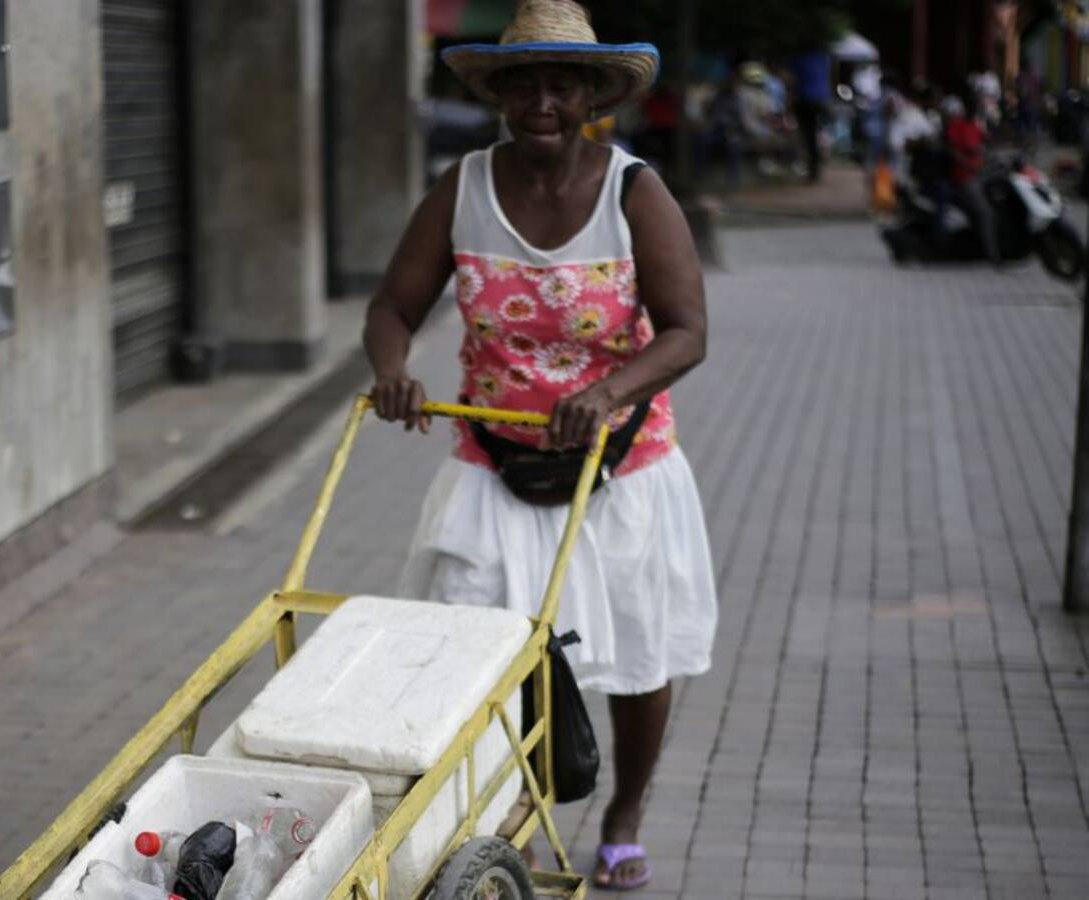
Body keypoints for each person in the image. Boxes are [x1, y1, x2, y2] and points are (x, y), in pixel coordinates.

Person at [363, 0, 717, 891]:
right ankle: (502, 822)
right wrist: (394, 368)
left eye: (564, 85)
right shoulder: (465, 185)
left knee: (636, 656)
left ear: (594, 94)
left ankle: (624, 813)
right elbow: (391, 307)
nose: (544, 105)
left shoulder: (637, 191)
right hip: (494, 461)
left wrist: (606, 393)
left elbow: (686, 331)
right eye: (526, 86)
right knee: (480, 654)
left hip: (619, 467)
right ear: (502, 97)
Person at [942, 93, 1000, 263]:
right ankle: (992, 254)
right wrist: (968, 164)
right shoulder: (956, 125)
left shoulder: (974, 125)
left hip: (980, 175)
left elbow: (988, 141)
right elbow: (953, 151)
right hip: (965, 178)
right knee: (986, 214)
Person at [790, 48, 831, 182]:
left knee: (808, 136)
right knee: (817, 133)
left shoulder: (798, 57)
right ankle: (815, 165)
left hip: (805, 100)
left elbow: (792, 79)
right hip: (820, 99)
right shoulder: (821, 57)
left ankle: (812, 169)